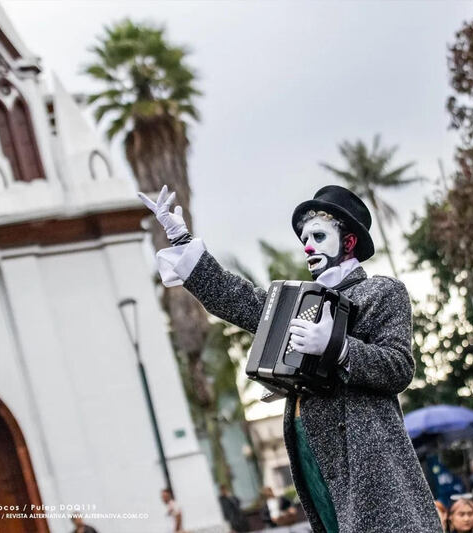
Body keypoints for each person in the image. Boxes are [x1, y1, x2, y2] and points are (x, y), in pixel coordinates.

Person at [140, 185, 441, 532]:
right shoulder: (300, 301)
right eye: (303, 238)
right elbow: (240, 301)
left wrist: (337, 347)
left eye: (318, 235)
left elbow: (398, 367)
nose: (307, 245)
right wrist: (182, 239)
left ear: (349, 241)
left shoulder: (382, 291)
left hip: (366, 458)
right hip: (310, 447)